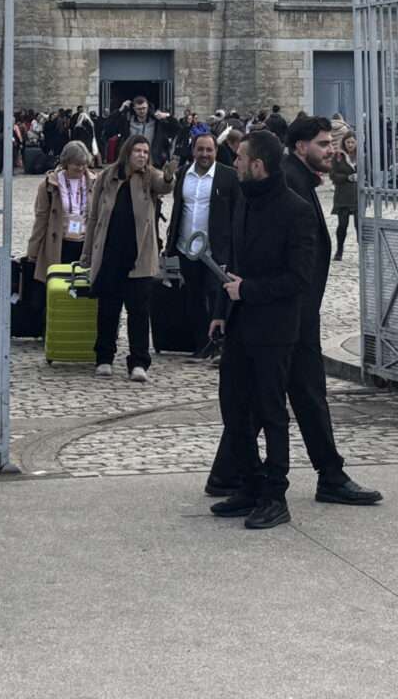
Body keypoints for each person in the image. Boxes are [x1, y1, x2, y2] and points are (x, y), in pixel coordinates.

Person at [209, 115, 381, 507]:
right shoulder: (285, 185)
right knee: (276, 399)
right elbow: (251, 259)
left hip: (290, 312)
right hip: (285, 315)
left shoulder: (296, 182)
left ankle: (238, 474)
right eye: (322, 144)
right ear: (300, 147)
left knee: (280, 397)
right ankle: (263, 477)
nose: (331, 150)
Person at [209, 129, 318, 532]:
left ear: (257, 165)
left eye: (239, 158)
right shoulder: (243, 201)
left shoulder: (296, 210)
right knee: (233, 407)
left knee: (271, 412)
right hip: (239, 324)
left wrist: (248, 291)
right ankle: (250, 483)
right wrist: (222, 309)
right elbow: (234, 262)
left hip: (274, 330)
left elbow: (298, 279)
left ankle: (275, 494)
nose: (233, 163)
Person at [80, 135, 174, 381]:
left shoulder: (149, 176)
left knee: (139, 311)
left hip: (139, 255)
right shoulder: (108, 176)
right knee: (108, 309)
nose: (142, 155)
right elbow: (94, 217)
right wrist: (87, 253)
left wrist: (168, 176)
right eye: (138, 151)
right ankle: (104, 357)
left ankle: (139, 362)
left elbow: (164, 185)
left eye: (145, 151)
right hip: (111, 252)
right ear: (127, 152)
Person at [168, 128, 242, 359]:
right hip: (186, 249)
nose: (204, 154)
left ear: (216, 151)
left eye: (209, 149)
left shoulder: (228, 176)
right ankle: (201, 344)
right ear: (193, 150)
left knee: (216, 295)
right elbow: (178, 209)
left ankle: (219, 342)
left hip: (216, 250)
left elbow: (236, 212)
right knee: (194, 297)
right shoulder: (182, 174)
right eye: (200, 149)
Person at [29, 140, 97, 275]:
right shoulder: (48, 185)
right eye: (76, 164)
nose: (81, 168)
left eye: (84, 164)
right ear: (66, 163)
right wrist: (33, 250)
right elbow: (41, 219)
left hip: (86, 244)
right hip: (59, 244)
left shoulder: (95, 183)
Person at [329, 132, 359, 261]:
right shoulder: (338, 156)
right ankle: (339, 249)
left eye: (353, 142)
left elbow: (369, 172)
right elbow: (333, 175)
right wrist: (347, 177)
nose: (350, 145)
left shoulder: (362, 156)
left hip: (358, 195)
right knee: (343, 225)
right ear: (344, 143)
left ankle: (363, 251)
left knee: (360, 225)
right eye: (348, 142)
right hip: (343, 194)